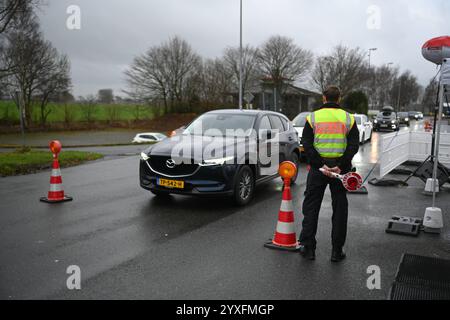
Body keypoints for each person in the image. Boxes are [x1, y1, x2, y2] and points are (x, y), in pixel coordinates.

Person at [299, 86, 359, 262]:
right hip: (340, 171)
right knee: (340, 208)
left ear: (324, 98)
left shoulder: (313, 117)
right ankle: (336, 251)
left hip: (318, 170)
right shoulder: (349, 118)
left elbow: (307, 144)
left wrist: (320, 164)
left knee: (311, 207)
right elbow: (353, 145)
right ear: (339, 98)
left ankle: (308, 248)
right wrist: (341, 165)